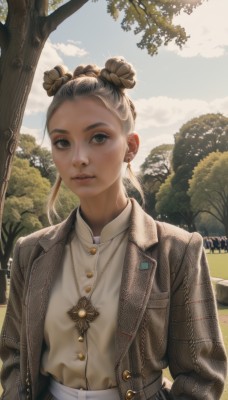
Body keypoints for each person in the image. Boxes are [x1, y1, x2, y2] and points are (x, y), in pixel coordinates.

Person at [0, 56, 226, 400]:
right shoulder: (30, 251)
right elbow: (15, 359)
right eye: (62, 142)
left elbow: (201, 376)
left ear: (130, 147)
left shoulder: (176, 250)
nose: (78, 158)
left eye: (98, 137)